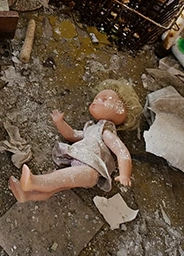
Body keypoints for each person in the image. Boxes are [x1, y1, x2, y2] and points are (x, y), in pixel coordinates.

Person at [9, 80, 141, 203]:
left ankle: (35, 182)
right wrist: (60, 123)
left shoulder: (105, 132)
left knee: (58, 178)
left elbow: (122, 152)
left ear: (119, 109)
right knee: (59, 184)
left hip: (90, 170)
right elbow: (72, 135)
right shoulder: (91, 129)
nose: (97, 100)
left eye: (104, 99)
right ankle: (27, 194)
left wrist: (125, 175)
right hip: (81, 163)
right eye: (96, 98)